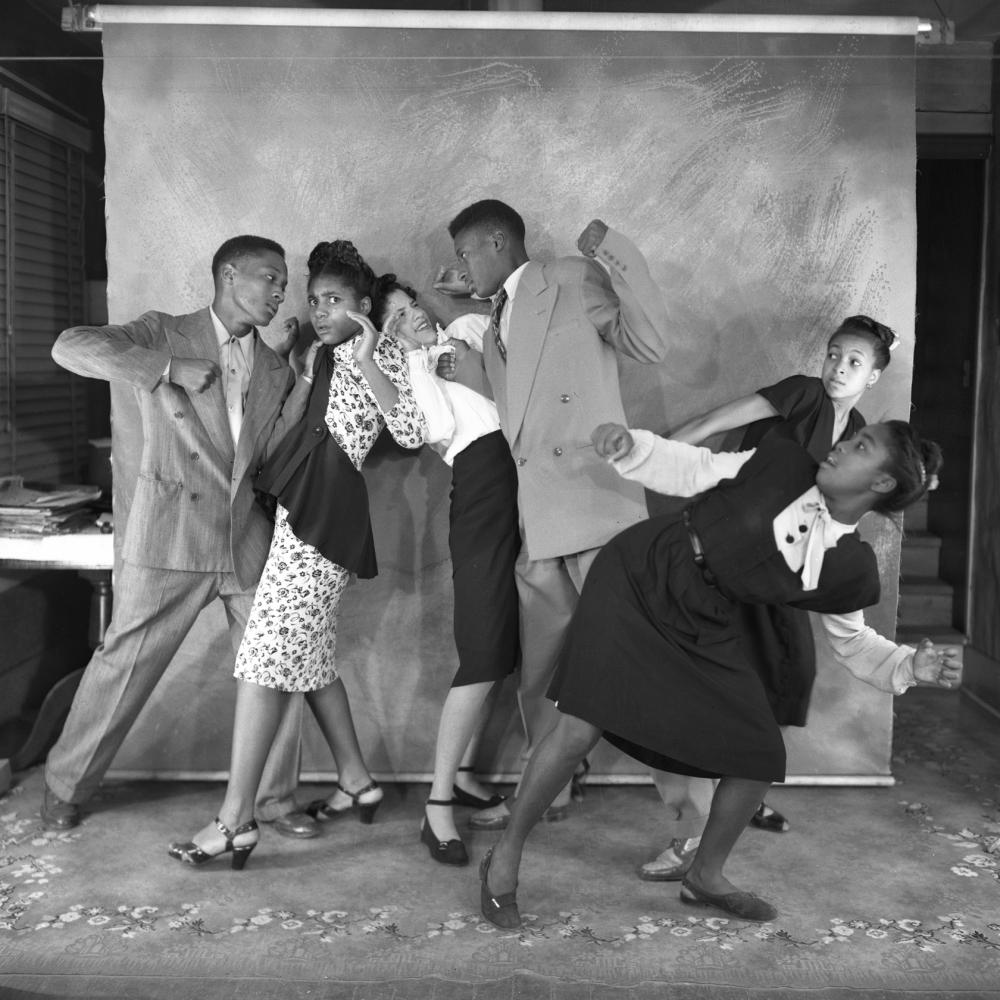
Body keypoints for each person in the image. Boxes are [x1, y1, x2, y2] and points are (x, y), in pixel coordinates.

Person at [478, 420, 961, 928]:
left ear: (881, 484)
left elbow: (853, 641)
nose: (842, 446)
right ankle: (505, 859)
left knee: (759, 754)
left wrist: (910, 663)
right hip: (643, 571)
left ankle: (705, 876)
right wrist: (633, 448)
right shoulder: (784, 464)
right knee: (581, 723)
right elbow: (698, 468)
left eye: (862, 447)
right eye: (851, 439)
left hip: (704, 617)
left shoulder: (850, 569)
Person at [42, 235, 312, 832]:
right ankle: (65, 786)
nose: (279, 291)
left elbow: (270, 456)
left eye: (285, 283)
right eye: (269, 277)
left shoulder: (274, 366)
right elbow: (71, 347)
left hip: (244, 535)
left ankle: (274, 799)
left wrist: (303, 371)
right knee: (125, 662)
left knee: (281, 661)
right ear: (229, 273)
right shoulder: (165, 332)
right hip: (171, 530)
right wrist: (165, 368)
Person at [168, 240, 424, 869]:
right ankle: (358, 781)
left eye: (335, 300)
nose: (321, 309)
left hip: (324, 517)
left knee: (262, 662)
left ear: (364, 306)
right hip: (293, 511)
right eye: (315, 300)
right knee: (307, 660)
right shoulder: (316, 352)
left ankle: (235, 820)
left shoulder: (380, 351)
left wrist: (370, 354)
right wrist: (301, 362)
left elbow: (414, 434)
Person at [640, 314, 899, 880]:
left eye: (854, 362)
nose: (838, 367)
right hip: (727, 552)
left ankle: (743, 785)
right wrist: (651, 461)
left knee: (785, 676)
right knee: (705, 687)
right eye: (833, 354)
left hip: (779, 570)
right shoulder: (802, 393)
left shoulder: (856, 429)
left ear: (873, 376)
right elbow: (713, 421)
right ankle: (688, 835)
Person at [445, 200, 671, 830]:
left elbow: (647, 343)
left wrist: (614, 248)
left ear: (495, 241)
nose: (460, 267)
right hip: (537, 519)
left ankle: (692, 809)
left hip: (598, 507)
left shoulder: (569, 278)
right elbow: (523, 409)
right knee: (539, 673)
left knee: (642, 664)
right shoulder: (493, 322)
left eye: (465, 253)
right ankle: (552, 787)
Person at [372, 279, 519, 866]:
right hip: (482, 489)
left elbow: (513, 357)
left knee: (524, 643)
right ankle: (438, 806)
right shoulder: (410, 371)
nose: (418, 318)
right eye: (401, 318)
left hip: (531, 477)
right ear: (388, 335)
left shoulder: (466, 330)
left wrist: (483, 307)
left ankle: (473, 777)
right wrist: (414, 358)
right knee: (483, 653)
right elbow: (432, 429)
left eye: (416, 307)